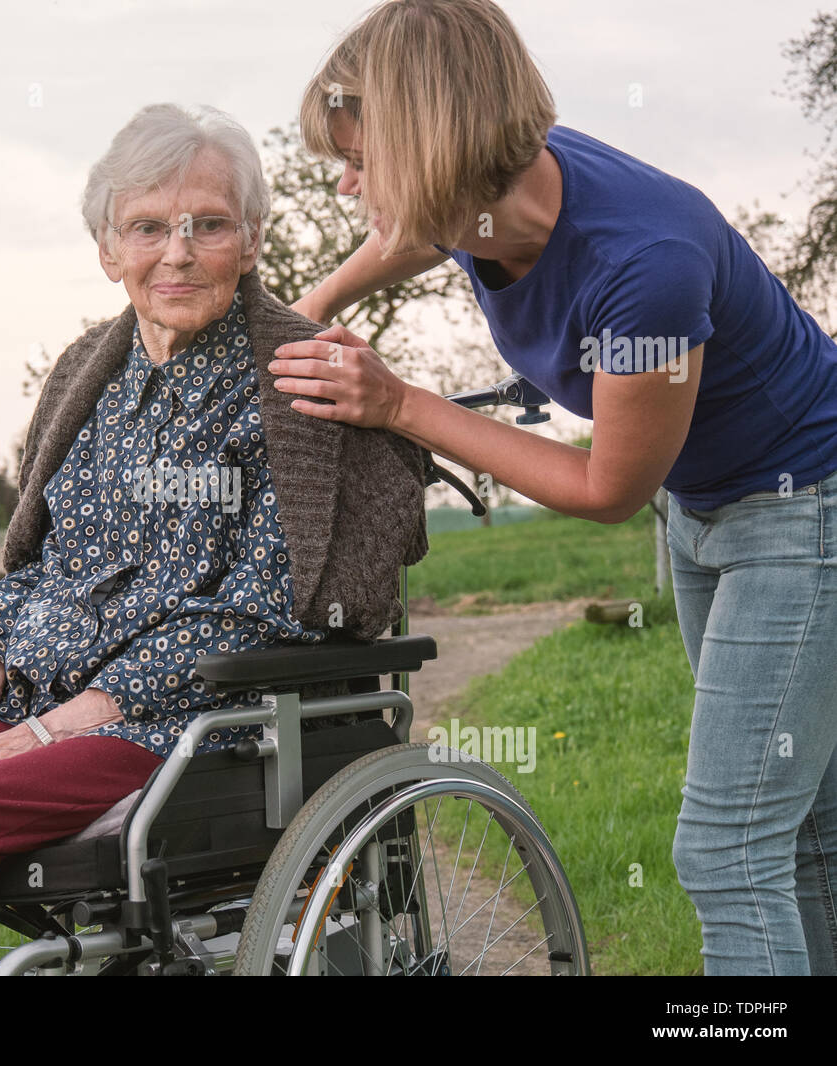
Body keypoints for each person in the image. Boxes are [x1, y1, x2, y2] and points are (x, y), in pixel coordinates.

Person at [0, 102, 429, 975]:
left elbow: (257, 612)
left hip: (185, 728)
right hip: (43, 702)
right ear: (109, 251)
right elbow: (39, 567)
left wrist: (58, 729)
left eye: (208, 225)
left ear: (252, 240)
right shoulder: (89, 375)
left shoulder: (298, 383)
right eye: (147, 228)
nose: (177, 253)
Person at [271, 0, 837, 976]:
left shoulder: (645, 265)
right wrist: (307, 309)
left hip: (802, 514)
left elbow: (607, 486)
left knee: (728, 850)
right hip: (705, 509)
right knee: (804, 829)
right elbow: (423, 231)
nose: (347, 184)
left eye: (362, 162)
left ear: (435, 150)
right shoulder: (486, 198)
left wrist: (400, 403)